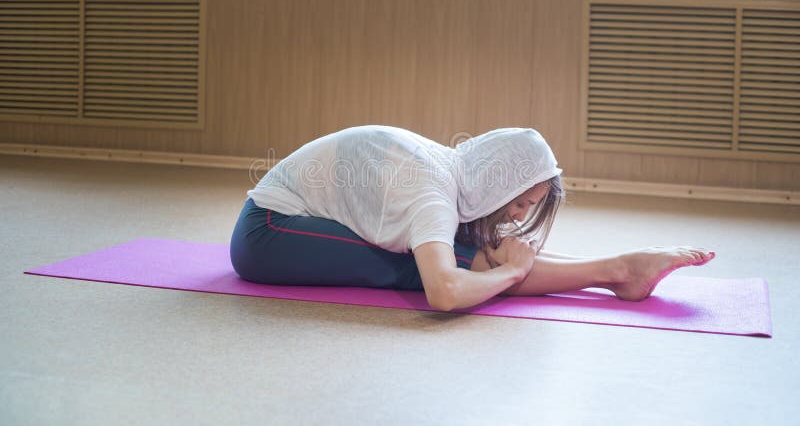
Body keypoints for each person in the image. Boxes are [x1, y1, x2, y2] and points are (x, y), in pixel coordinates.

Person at [230, 125, 714, 311]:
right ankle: (617, 272)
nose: (518, 218)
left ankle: (614, 269)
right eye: (520, 204)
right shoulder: (432, 194)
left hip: (293, 218)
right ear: (498, 183)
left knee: (460, 251)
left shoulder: (451, 167)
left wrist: (511, 265)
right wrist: (511, 271)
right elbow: (445, 295)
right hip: (269, 231)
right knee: (447, 265)